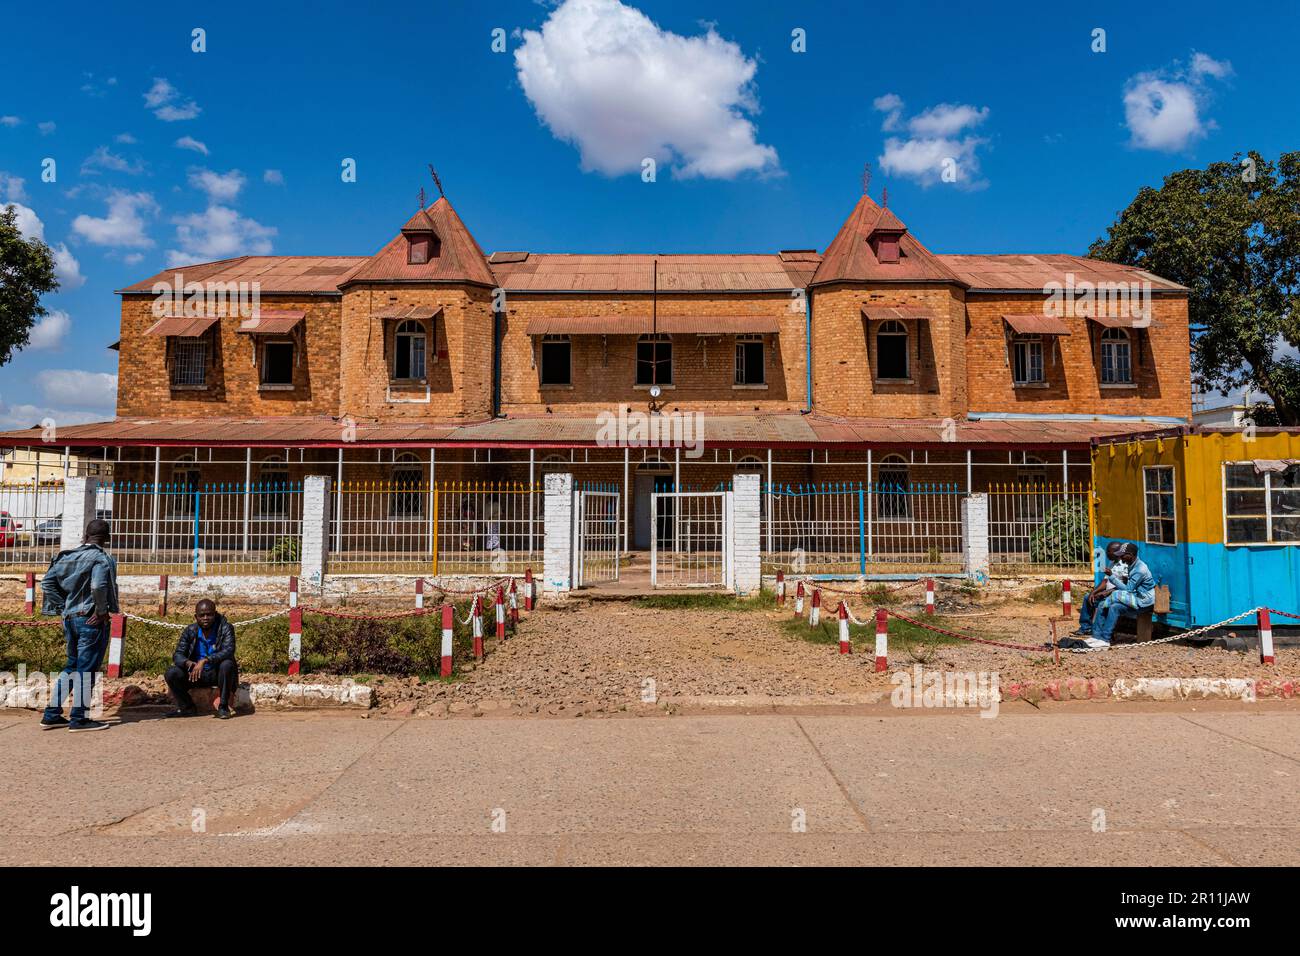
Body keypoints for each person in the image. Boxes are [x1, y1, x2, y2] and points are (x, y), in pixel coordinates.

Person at [39, 517, 119, 732]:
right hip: (90, 620)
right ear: (107, 538)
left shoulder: (66, 557)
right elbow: (98, 585)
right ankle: (79, 719)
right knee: (87, 670)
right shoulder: (101, 559)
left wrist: (63, 606)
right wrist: (102, 612)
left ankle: (51, 714)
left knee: (72, 666)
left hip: (69, 619)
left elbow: (46, 582)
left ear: (85, 536)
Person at [164, 599, 238, 719]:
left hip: (217, 673)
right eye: (202, 615)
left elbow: (229, 650)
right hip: (196, 674)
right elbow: (177, 655)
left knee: (227, 664)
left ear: (215, 614)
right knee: (171, 673)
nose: (205, 618)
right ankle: (187, 708)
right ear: (196, 616)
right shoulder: (190, 631)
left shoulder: (225, 628)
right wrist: (188, 663)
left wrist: (205, 660)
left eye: (209, 614)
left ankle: (223, 707)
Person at [1081, 542, 1156, 648]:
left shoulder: (1140, 569)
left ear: (1130, 555)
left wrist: (1111, 576)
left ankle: (1105, 639)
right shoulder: (1132, 564)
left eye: (1122, 555)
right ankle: (1097, 637)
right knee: (1108, 605)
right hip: (1136, 597)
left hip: (1143, 602)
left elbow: (1128, 589)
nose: (1120, 558)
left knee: (1109, 605)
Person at [1073, 541, 1127, 637]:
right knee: (1087, 597)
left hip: (1117, 594)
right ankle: (1085, 628)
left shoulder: (1125, 566)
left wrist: (1107, 592)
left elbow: (1125, 585)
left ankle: (1099, 631)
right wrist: (1093, 592)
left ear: (1116, 553)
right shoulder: (1111, 563)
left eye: (1109, 552)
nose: (1106, 554)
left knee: (1103, 603)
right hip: (1107, 593)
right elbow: (1105, 582)